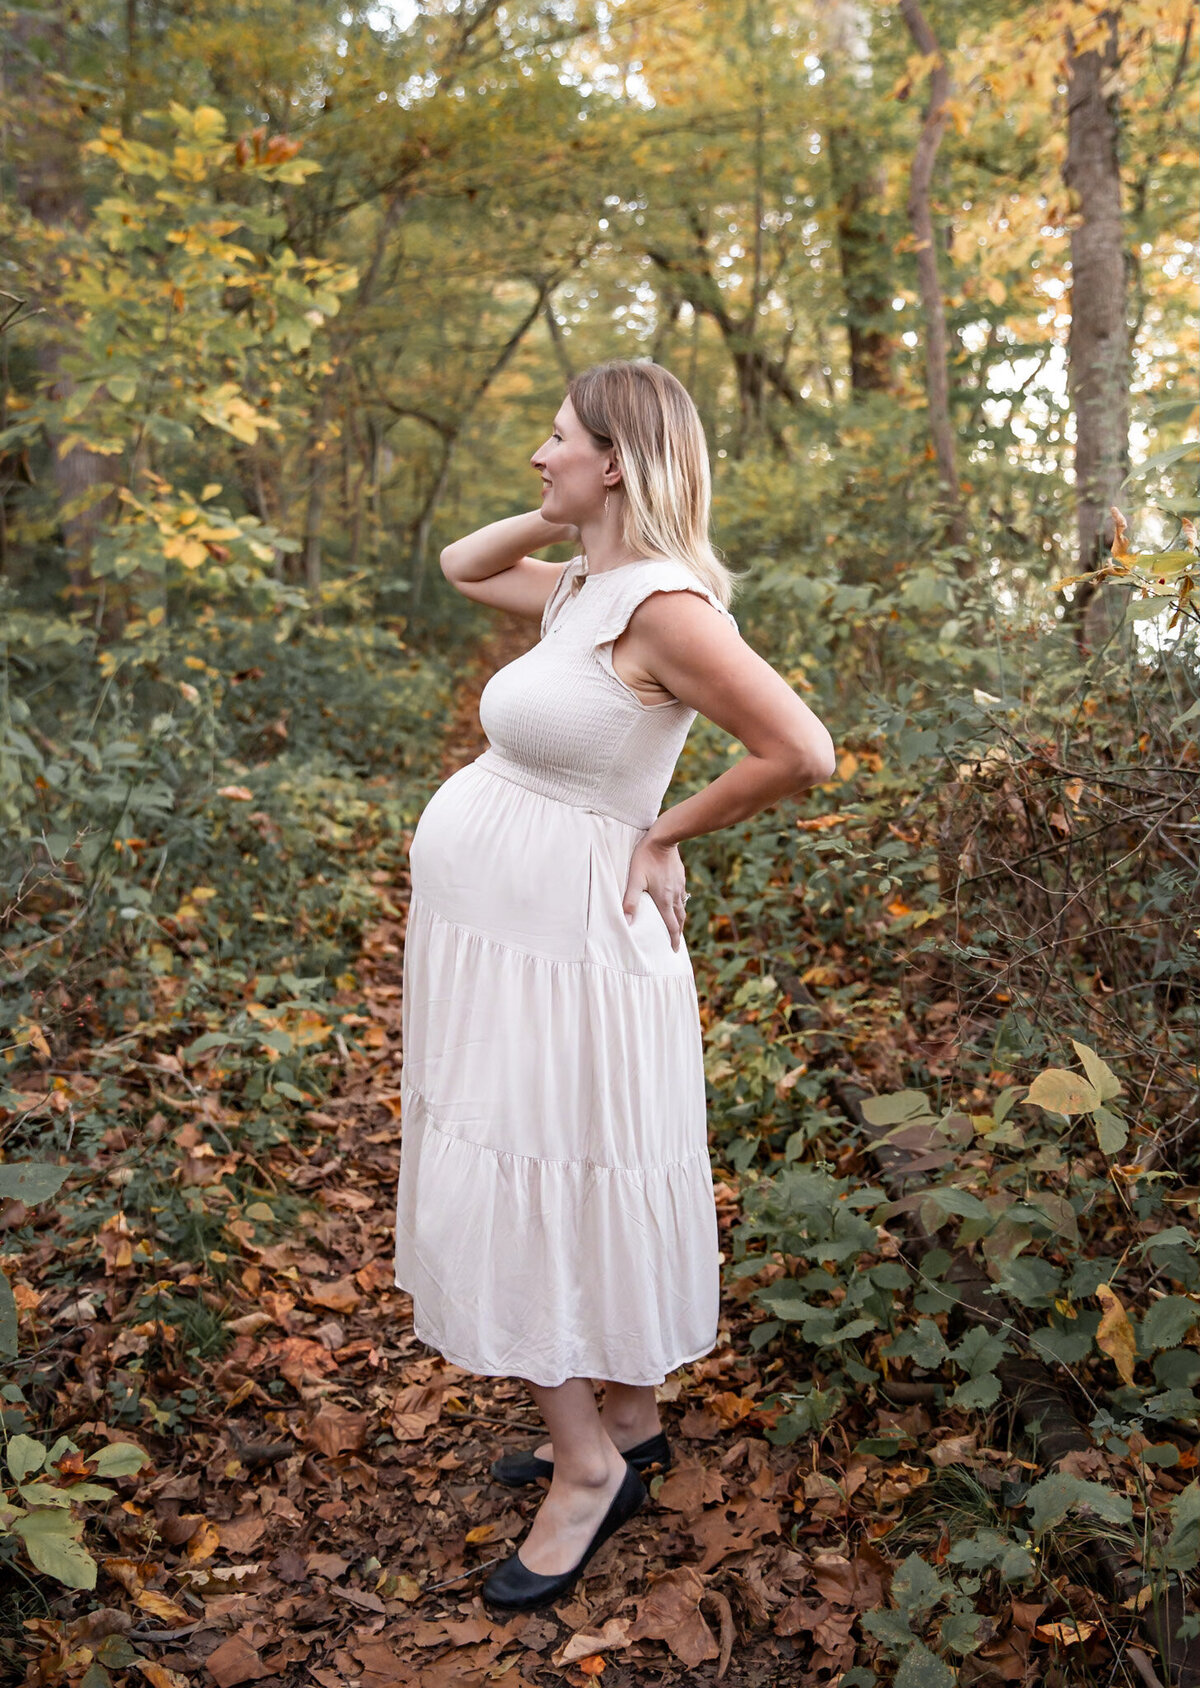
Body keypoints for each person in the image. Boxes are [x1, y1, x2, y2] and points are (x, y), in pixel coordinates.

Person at [393, 359, 835, 1613]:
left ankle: (584, 1466)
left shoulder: (667, 610)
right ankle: (627, 1420)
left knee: (537, 1160)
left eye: (557, 440)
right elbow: (464, 567)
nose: (537, 456)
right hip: (506, 934)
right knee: (560, 1154)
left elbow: (802, 750)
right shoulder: (589, 586)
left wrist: (664, 832)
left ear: (621, 460)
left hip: (569, 941)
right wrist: (567, 513)